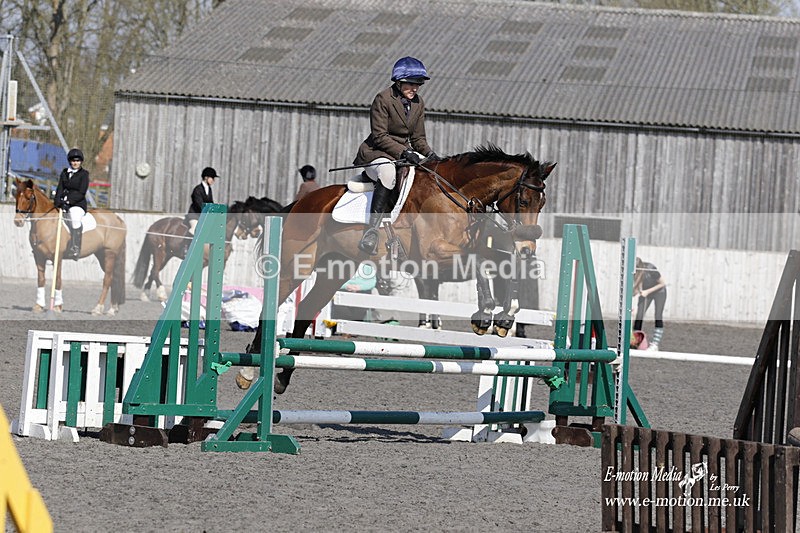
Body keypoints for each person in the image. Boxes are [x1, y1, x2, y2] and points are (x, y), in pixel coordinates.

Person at [353, 56, 442, 255]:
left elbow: (418, 138)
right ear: (399, 82)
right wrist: (404, 151)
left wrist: (432, 156)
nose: (416, 88)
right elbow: (380, 136)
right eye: (411, 84)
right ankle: (371, 232)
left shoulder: (418, 103)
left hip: (402, 154)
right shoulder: (383, 99)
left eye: (418, 84)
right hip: (376, 153)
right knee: (387, 173)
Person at [54, 148, 89, 260]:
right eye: (73, 160)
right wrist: (57, 202)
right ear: (70, 161)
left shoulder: (84, 174)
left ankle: (75, 248)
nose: (75, 163)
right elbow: (60, 188)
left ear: (81, 162)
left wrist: (68, 201)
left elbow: (81, 192)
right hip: (64, 203)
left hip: (77, 204)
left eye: (78, 161)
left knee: (74, 218)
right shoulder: (65, 173)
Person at [632, 257, 667, 351]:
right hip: (646, 292)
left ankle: (655, 344)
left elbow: (662, 283)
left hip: (659, 291)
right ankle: (636, 341)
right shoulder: (635, 273)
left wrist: (647, 292)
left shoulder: (650, 269)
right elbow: (634, 290)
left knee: (658, 315)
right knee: (639, 315)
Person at [184, 166, 218, 254]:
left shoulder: (208, 189)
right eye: (212, 178)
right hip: (194, 214)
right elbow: (199, 204)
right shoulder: (197, 189)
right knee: (193, 229)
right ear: (206, 177)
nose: (213, 180)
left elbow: (211, 202)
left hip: (203, 215)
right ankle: (186, 247)